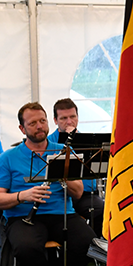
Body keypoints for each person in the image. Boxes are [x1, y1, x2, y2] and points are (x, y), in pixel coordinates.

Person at [0, 102, 95, 266]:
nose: (39, 126)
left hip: (61, 214)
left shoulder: (63, 151)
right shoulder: (8, 158)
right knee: (26, 247)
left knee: (88, 244)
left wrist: (65, 178)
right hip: (23, 217)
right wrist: (23, 196)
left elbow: (79, 192)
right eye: (32, 123)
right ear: (22, 128)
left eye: (42, 121)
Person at [48, 98, 105, 234]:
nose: (69, 122)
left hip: (83, 195)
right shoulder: (48, 143)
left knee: (102, 210)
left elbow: (92, 177)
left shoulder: (88, 142)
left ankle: (96, 248)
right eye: (63, 118)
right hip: (59, 196)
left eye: (72, 117)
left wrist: (76, 141)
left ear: (78, 118)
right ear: (55, 121)